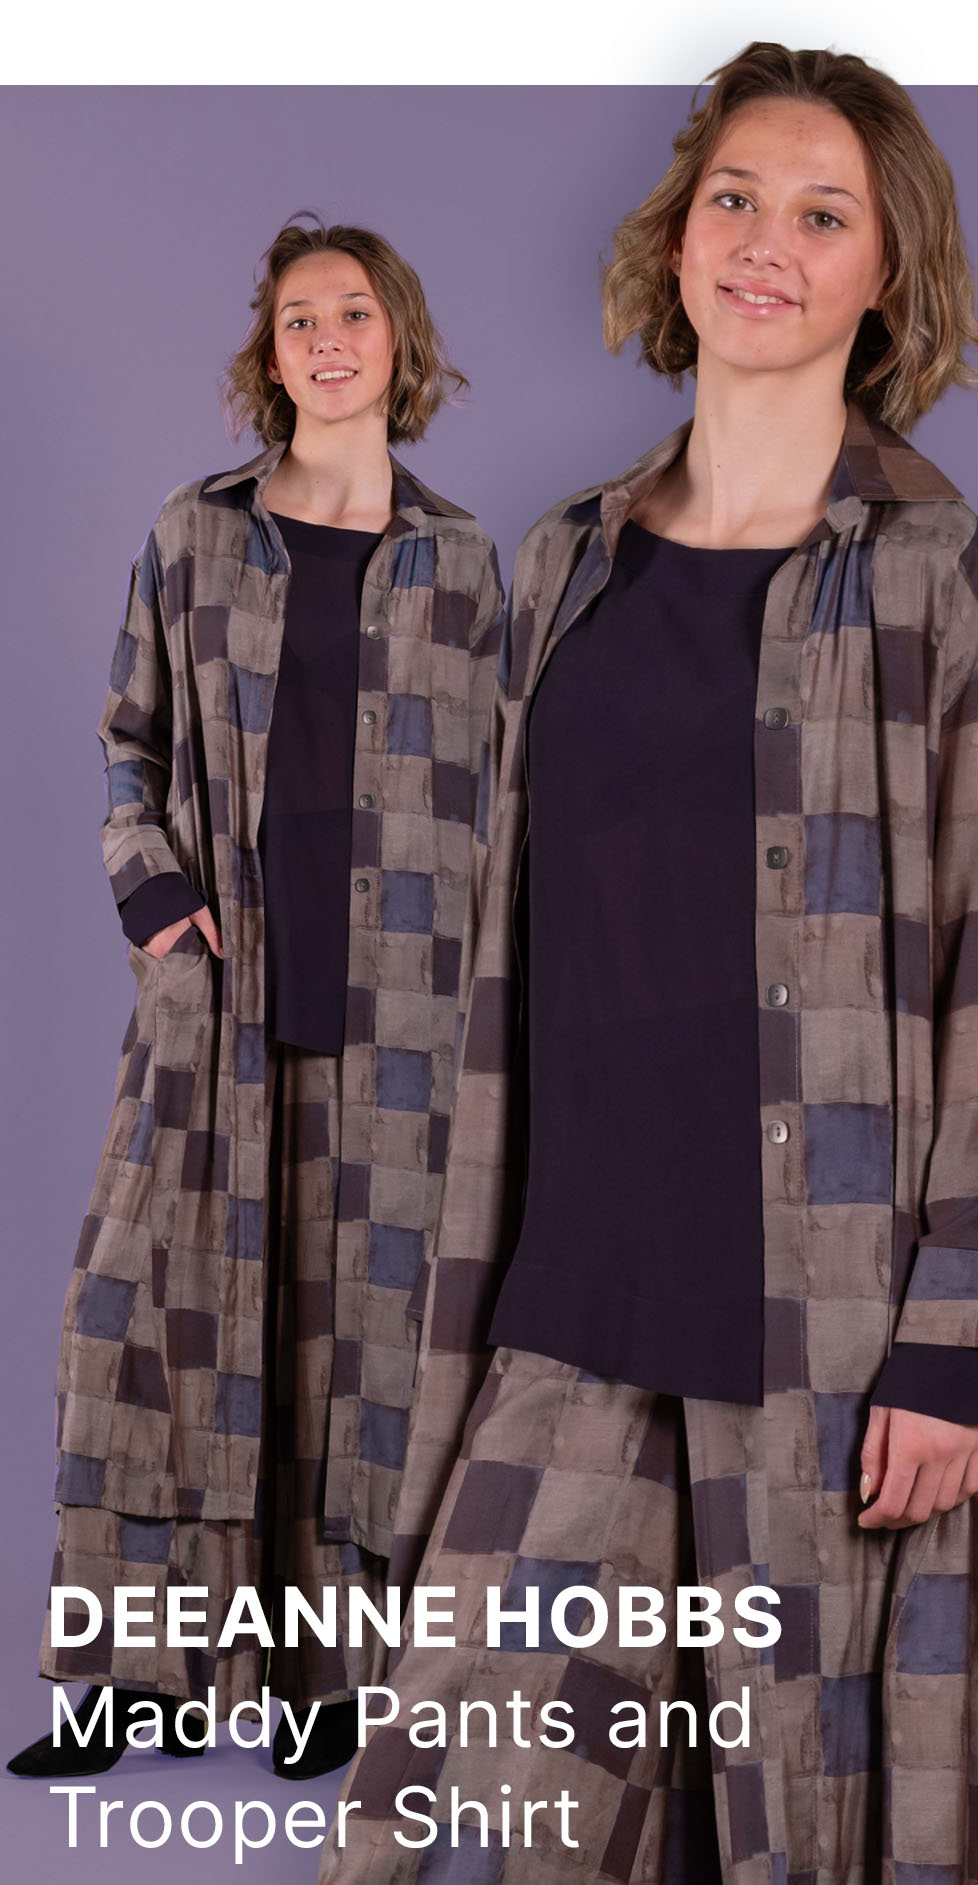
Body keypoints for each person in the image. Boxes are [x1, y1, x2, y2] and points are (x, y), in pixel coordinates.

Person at [319, 40, 978, 1885]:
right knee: (458, 1805)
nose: (764, 245)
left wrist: (962, 1339)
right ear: (679, 233)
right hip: (574, 1274)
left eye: (822, 215)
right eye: (735, 197)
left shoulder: (937, 575)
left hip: (823, 1309)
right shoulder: (567, 559)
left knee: (780, 1826)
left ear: (884, 273)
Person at [8, 215, 504, 1783]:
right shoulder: (197, 533)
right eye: (301, 317)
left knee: (358, 1351)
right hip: (217, 1001)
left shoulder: (468, 566)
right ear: (269, 352)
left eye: (356, 312)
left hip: (405, 1024)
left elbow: (515, 800)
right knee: (142, 1323)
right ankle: (137, 1678)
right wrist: (154, 902)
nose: (329, 339)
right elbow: (127, 742)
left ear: (399, 340)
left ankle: (328, 1683)